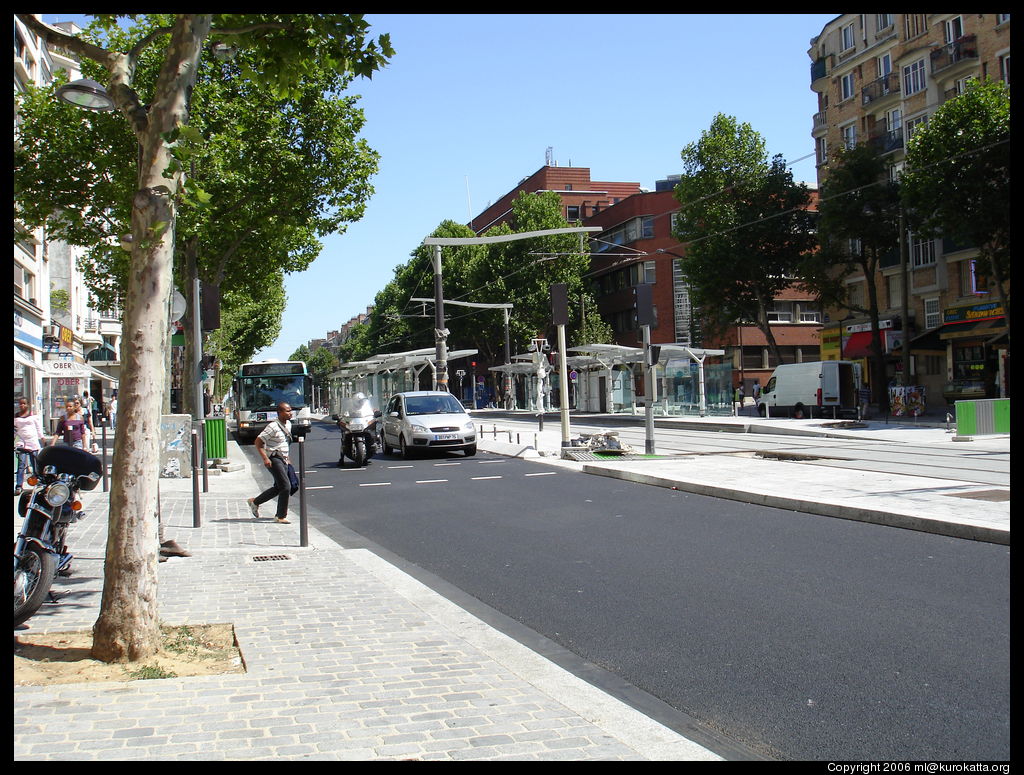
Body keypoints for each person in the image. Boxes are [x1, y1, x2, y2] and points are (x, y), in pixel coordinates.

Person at [247, 402, 295, 524]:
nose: (290, 413)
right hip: (274, 458)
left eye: (290, 410)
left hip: (283, 459)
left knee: (279, 487)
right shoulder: (272, 426)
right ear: (280, 413)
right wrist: (265, 458)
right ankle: (280, 516)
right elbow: (258, 442)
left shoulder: (288, 424)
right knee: (286, 486)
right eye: (287, 411)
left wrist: (287, 457)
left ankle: (255, 502)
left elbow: (284, 442)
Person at [14, 397, 46, 495]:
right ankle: (19, 485)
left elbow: (38, 428)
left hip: (32, 442)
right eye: (20, 404)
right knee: (21, 465)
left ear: (27, 405)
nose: (22, 405)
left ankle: (38, 482)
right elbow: (15, 431)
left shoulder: (33, 416)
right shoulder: (16, 417)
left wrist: (42, 438)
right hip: (22, 443)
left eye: (24, 403)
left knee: (35, 464)